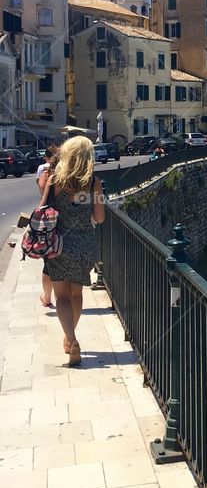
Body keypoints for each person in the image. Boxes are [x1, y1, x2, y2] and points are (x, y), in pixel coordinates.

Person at [42, 136, 105, 366]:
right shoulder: (93, 184)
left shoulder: (55, 180)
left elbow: (42, 211)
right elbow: (99, 218)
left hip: (57, 245)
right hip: (83, 246)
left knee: (62, 297)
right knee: (76, 294)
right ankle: (71, 338)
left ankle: (71, 339)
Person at [36, 144, 59, 308]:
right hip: (65, 224)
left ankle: (47, 297)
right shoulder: (71, 175)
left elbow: (42, 193)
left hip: (50, 222)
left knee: (48, 262)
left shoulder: (45, 174)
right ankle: (58, 296)